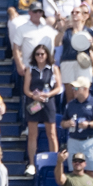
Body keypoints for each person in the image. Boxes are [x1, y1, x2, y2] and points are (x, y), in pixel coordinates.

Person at [22, 44, 61, 174]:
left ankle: (55, 162)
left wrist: (47, 94)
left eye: (42, 54)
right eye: (37, 54)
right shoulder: (30, 69)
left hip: (48, 102)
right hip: (34, 103)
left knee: (52, 133)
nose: (40, 56)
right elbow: (26, 89)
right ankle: (32, 163)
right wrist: (34, 96)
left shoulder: (53, 68)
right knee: (33, 134)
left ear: (47, 55)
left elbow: (58, 87)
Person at [61, 79, 93, 178]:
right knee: (74, 172)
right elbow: (62, 123)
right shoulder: (70, 104)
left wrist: (88, 124)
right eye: (73, 88)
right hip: (73, 140)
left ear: (85, 89)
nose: (73, 90)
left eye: (76, 88)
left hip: (90, 140)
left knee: (91, 172)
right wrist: (67, 123)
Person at [56, 8, 93, 104]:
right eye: (72, 12)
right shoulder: (67, 31)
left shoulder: (89, 31)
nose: (74, 14)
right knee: (70, 95)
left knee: (84, 93)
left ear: (83, 16)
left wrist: (92, 43)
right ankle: (71, 112)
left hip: (83, 63)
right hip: (68, 63)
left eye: (77, 12)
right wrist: (63, 29)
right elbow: (57, 43)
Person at [12, 3, 56, 79]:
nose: (38, 14)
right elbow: (16, 48)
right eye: (35, 11)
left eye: (40, 12)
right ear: (29, 12)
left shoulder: (48, 29)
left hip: (46, 69)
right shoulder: (21, 29)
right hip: (28, 68)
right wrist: (19, 65)